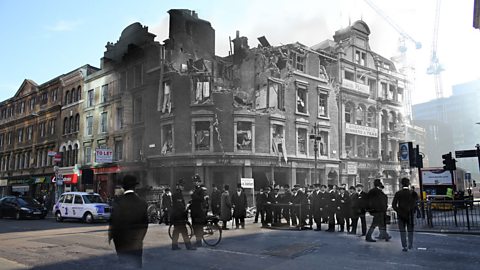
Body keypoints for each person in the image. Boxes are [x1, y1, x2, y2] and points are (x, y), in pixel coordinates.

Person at [108, 175, 149, 268]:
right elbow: (145, 225)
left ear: (123, 187)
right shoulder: (142, 203)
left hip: (122, 245)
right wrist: (139, 240)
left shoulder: (118, 202)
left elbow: (114, 225)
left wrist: (115, 241)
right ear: (135, 187)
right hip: (137, 244)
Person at [393, 178, 417, 252]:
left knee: (402, 231)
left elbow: (394, 205)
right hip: (410, 215)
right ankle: (410, 244)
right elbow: (416, 204)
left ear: (401, 184)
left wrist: (399, 211)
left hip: (401, 215)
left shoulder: (398, 193)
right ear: (409, 184)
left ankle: (404, 246)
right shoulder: (413, 193)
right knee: (410, 231)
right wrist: (412, 211)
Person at [170, 180, 196, 250]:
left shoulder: (178, 193)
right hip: (179, 216)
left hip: (177, 216)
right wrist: (185, 210)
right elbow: (179, 206)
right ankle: (188, 246)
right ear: (178, 186)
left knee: (176, 232)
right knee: (184, 232)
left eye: (183, 186)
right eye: (181, 186)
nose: (183, 187)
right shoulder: (177, 194)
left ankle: (174, 246)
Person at [190, 175, 208, 247]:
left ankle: (199, 242)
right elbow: (194, 199)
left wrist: (193, 195)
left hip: (198, 211)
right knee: (194, 225)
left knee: (198, 226)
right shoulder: (195, 189)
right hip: (194, 210)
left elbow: (201, 199)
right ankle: (198, 241)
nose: (195, 183)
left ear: (199, 182)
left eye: (196, 181)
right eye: (194, 181)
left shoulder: (201, 190)